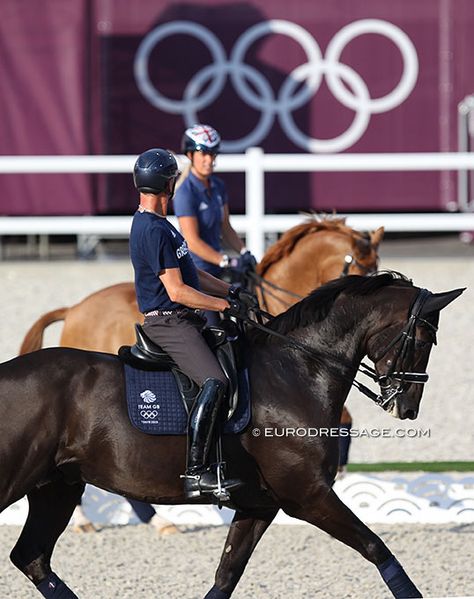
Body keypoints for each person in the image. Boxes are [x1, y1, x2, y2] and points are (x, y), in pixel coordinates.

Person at [129, 148, 245, 500]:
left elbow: (194, 276)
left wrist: (233, 291)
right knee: (216, 380)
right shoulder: (152, 230)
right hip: (167, 323)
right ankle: (197, 473)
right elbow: (178, 292)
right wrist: (222, 304)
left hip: (182, 318)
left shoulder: (162, 225)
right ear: (169, 184)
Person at [173, 124, 256, 322]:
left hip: (219, 270)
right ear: (191, 155)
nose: (209, 160)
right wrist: (224, 260)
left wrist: (244, 252)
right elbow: (192, 241)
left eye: (213, 154)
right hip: (197, 272)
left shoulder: (218, 186)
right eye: (203, 154)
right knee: (214, 328)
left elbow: (225, 227)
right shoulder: (185, 192)